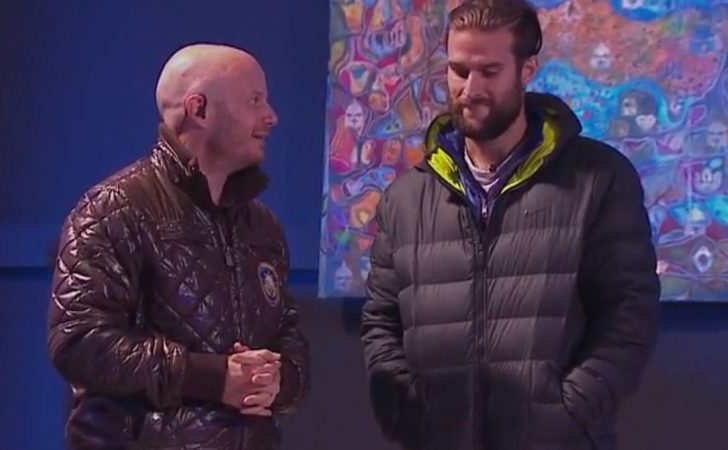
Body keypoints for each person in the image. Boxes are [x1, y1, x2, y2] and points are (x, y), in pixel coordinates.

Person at [361, 1, 660, 449]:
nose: (471, 88)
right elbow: (382, 322)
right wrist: (407, 414)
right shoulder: (406, 198)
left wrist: (568, 413)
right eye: (459, 70)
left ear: (527, 69)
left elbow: (629, 313)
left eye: (489, 71)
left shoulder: (598, 178)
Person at [47, 43, 309, 449]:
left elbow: (289, 338)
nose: (271, 116)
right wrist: (213, 378)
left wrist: (279, 380)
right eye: (255, 100)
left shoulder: (262, 226)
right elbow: (78, 342)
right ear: (198, 109)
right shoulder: (114, 209)